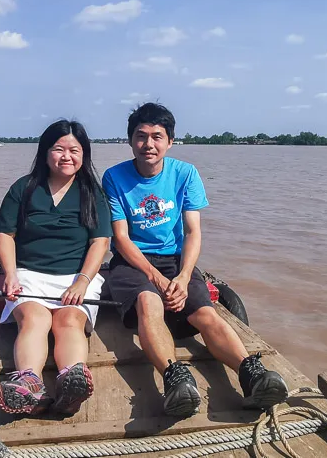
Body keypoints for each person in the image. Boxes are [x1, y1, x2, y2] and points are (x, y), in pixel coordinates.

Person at [101, 103, 289, 417]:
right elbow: (120, 238)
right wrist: (157, 279)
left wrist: (184, 276)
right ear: (130, 140)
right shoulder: (114, 177)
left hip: (176, 260)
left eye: (157, 137)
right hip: (132, 261)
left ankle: (252, 373)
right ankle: (175, 378)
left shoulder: (185, 173)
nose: (149, 144)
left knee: (205, 312)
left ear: (170, 141)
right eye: (141, 136)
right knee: (150, 303)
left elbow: (192, 231)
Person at [0, 119, 112, 416]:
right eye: (58, 149)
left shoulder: (92, 193)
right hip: (29, 275)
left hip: (77, 276)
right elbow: (6, 235)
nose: (66, 156)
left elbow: (100, 242)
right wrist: (9, 274)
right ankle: (29, 383)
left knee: (68, 321)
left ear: (84, 155)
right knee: (34, 319)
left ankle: (72, 380)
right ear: (45, 153)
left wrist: (83, 281)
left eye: (74, 149)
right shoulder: (23, 188)